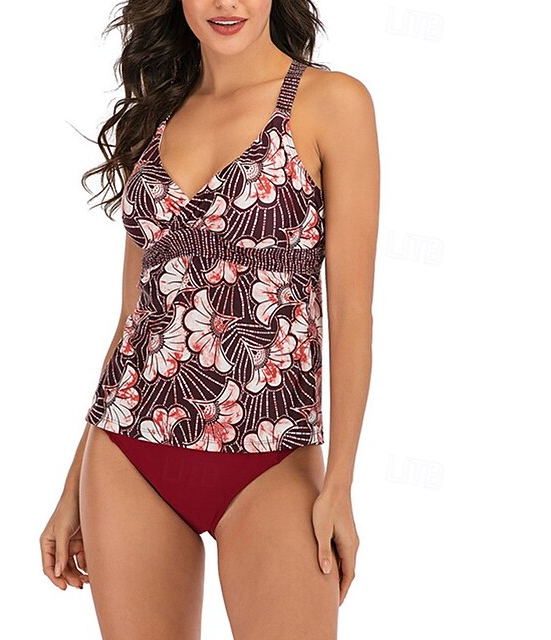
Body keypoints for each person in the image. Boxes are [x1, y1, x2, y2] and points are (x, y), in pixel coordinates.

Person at [40, 1, 379, 637]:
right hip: (128, 454)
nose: (226, 3)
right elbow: (133, 317)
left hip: (272, 461)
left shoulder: (331, 103)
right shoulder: (154, 119)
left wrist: (341, 483)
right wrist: (71, 487)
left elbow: (351, 309)